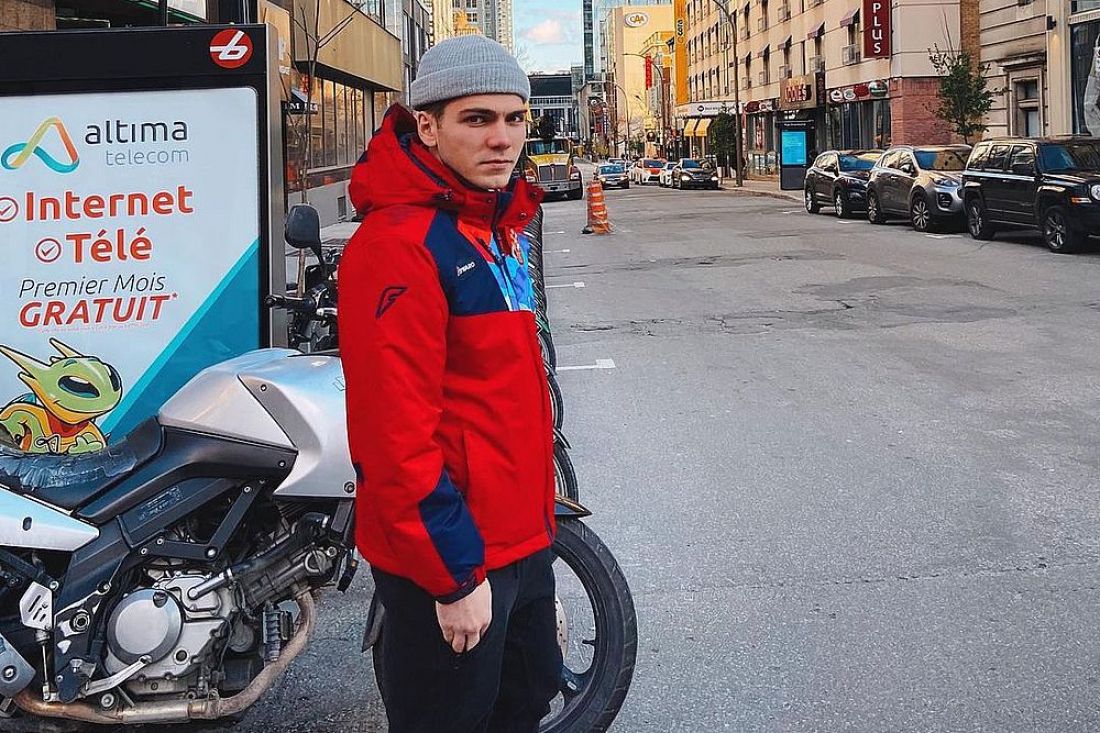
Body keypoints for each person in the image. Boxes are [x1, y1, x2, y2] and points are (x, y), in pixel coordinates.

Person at [338, 36, 560, 733]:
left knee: (523, 705)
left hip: (518, 542)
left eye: (515, 118)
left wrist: (534, 559)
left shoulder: (490, 226)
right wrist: (455, 576)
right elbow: (393, 438)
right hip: (453, 558)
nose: (502, 139)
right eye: (478, 119)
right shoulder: (399, 245)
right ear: (427, 127)